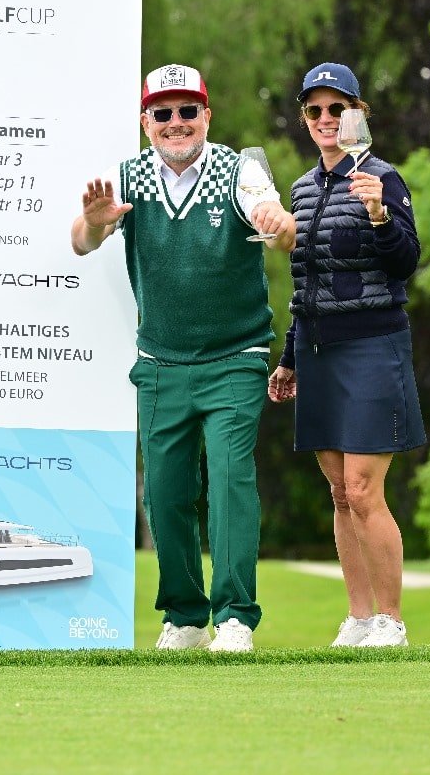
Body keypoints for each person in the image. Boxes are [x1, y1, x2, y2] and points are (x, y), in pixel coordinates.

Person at [71, 64, 294, 653]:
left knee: (227, 481)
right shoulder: (129, 176)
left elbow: (277, 224)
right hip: (162, 362)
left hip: (234, 356)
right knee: (165, 494)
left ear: (206, 116)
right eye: (163, 113)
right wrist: (93, 226)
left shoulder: (238, 169)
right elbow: (80, 239)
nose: (176, 123)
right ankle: (187, 617)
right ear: (146, 122)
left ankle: (236, 617)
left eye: (187, 111)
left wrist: (278, 225)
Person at [267, 62, 425, 648]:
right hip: (317, 349)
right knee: (338, 491)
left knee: (363, 488)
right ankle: (358, 619)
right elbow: (302, 283)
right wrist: (288, 356)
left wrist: (381, 214)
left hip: (373, 345)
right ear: (305, 119)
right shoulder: (303, 190)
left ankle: (391, 620)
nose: (328, 119)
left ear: (358, 114)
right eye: (316, 110)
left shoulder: (384, 177)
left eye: (339, 108)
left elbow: (407, 261)